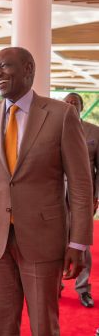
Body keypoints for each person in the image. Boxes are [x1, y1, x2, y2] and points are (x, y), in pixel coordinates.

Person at [0, 47, 93, 336]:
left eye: (4, 66)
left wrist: (79, 243)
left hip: (44, 239)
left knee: (44, 325)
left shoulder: (61, 115)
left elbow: (81, 185)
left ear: (28, 69)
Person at [62, 93, 99, 308]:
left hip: (84, 197)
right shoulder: (53, 129)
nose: (70, 106)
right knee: (56, 241)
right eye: (66, 103)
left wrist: (96, 196)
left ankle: (83, 289)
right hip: (55, 196)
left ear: (81, 107)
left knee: (81, 243)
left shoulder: (94, 132)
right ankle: (56, 285)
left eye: (74, 103)